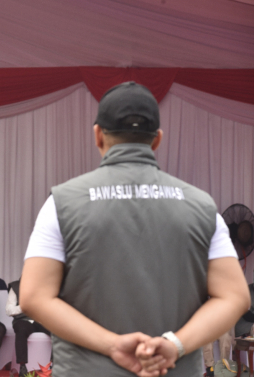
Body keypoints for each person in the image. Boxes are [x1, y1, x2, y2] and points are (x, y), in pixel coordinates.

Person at [19, 81, 249, 376]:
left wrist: (112, 345)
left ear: (98, 135)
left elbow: (34, 297)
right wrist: (175, 345)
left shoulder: (61, 204)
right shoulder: (203, 207)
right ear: (157, 140)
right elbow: (235, 296)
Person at [6, 279, 51, 376]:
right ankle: (22, 366)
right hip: (23, 320)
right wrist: (23, 307)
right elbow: (9, 310)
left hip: (41, 320)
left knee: (57, 330)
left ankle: (54, 364)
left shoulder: (44, 286)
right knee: (21, 329)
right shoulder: (15, 287)